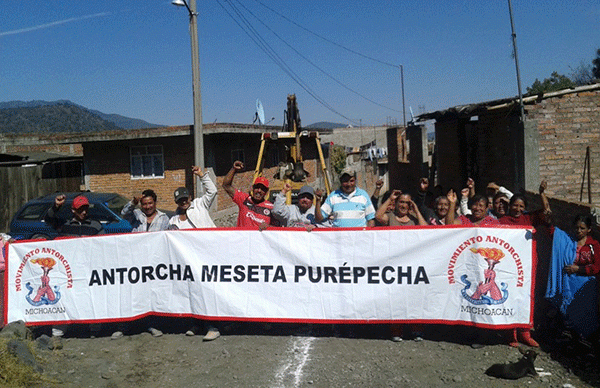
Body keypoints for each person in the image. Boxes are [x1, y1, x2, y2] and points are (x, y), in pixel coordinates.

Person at [44, 194, 105, 349]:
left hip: (89, 269)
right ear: (73, 210)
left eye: (85, 209)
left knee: (91, 296)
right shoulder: (63, 225)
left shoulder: (96, 226)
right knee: (64, 297)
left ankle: (94, 328)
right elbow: (48, 220)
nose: (84, 212)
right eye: (80, 210)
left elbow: (105, 244)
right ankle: (58, 332)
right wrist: (56, 206)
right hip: (68, 270)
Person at [167, 166, 220, 341]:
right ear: (176, 202)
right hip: (189, 260)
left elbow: (212, 190)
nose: (184, 202)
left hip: (208, 254)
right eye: (180, 201)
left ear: (190, 197)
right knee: (192, 291)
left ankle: (213, 326)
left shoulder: (199, 204)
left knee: (208, 290)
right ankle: (197, 323)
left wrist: (202, 175)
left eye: (185, 199)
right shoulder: (174, 220)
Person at [498, 181, 551, 348]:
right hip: (509, 266)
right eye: (515, 205)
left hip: (527, 266)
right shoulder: (502, 221)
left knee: (527, 298)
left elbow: (546, 212)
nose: (518, 209)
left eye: (521, 206)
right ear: (509, 206)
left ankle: (525, 332)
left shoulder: (528, 219)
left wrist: (542, 193)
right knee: (510, 297)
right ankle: (510, 333)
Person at [118, 189, 170, 339]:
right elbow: (124, 212)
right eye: (144, 204)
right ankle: (124, 325)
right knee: (131, 293)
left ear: (155, 203)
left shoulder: (164, 218)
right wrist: (134, 202)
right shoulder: (136, 215)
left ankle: (152, 324)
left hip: (154, 262)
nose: (147, 207)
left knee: (151, 294)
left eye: (150, 203)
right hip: (136, 260)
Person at [222, 160, 279, 230]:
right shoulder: (243, 199)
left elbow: (278, 229)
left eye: (262, 189)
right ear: (252, 188)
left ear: (266, 192)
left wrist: (269, 227)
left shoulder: (271, 208)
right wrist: (233, 169)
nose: (259, 191)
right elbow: (226, 185)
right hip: (242, 240)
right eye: (257, 187)